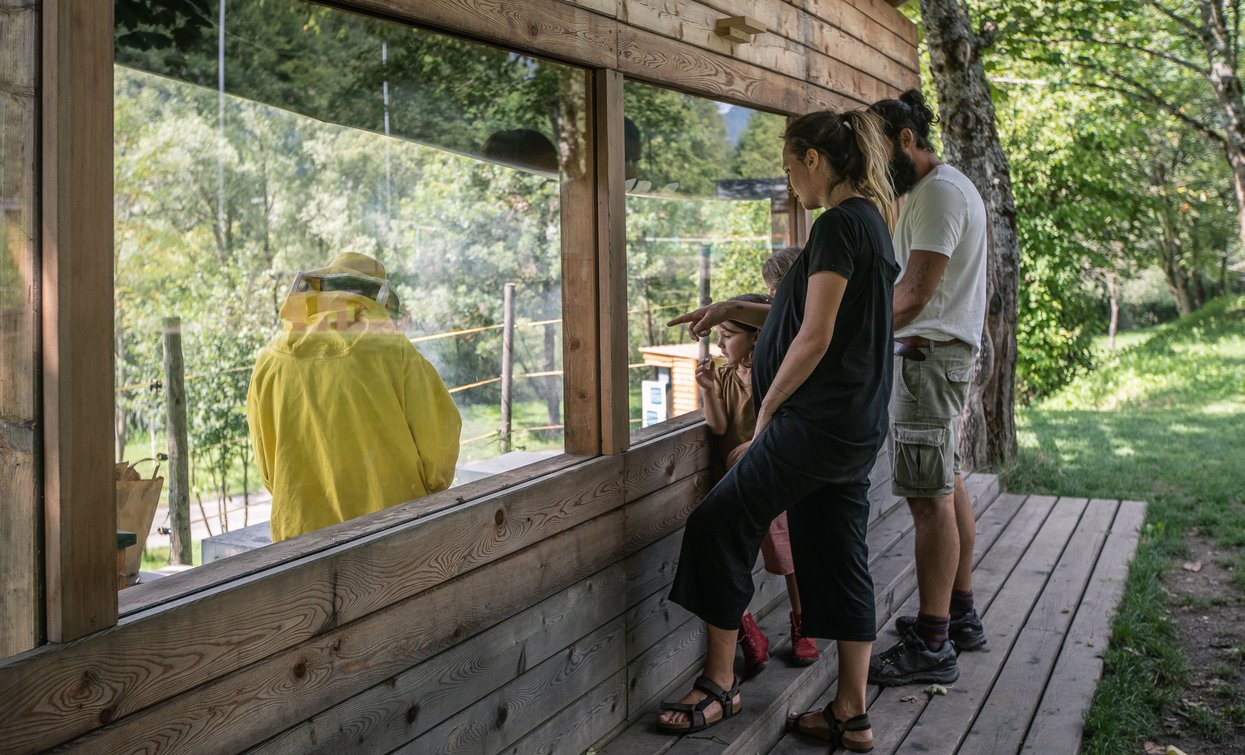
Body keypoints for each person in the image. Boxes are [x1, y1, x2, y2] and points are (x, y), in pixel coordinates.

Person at [655, 108, 899, 754]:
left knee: (717, 520)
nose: (791, 182)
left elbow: (814, 335)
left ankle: (718, 680)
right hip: (852, 425)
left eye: (790, 167)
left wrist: (767, 411)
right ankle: (851, 712)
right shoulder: (870, 222)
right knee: (840, 553)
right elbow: (808, 313)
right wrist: (731, 308)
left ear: (812, 158)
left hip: (813, 423)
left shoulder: (836, 226)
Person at [865, 90, 989, 687]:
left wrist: (844, 333)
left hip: (926, 358)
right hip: (937, 359)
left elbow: (913, 296)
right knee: (947, 481)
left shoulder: (938, 194)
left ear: (907, 140)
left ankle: (933, 642)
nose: (871, 160)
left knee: (926, 500)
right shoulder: (931, 191)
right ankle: (960, 616)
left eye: (877, 146)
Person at [247, 252, 461, 543]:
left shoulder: (271, 358)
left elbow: (269, 467)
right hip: (392, 535)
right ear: (377, 298)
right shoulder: (392, 351)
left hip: (298, 541)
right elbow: (438, 454)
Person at [695, 293, 820, 677]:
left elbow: (786, 421)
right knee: (731, 557)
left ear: (757, 337)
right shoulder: (726, 377)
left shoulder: (776, 375)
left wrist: (755, 446)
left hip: (770, 479)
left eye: (728, 334)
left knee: (787, 554)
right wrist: (708, 390)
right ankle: (747, 631)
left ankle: (804, 623)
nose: (719, 343)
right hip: (733, 483)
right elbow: (717, 428)